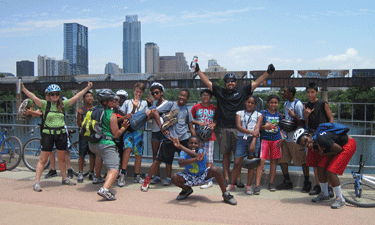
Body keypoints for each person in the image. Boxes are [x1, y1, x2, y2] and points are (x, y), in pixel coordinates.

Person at [194, 61, 275, 186]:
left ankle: (236, 179)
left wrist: (267, 73)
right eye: (228, 81)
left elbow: (257, 83)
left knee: (238, 156)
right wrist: (198, 70)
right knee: (226, 154)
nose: (230, 83)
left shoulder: (242, 91)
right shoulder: (220, 91)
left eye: (232, 81)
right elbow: (207, 82)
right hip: (223, 128)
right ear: (225, 83)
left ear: (235, 83)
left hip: (239, 129)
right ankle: (227, 177)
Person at [21, 82, 93, 192]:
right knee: (43, 159)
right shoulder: (45, 104)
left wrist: (87, 88)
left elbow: (76, 96)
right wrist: (24, 89)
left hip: (61, 134)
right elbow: (33, 97)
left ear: (59, 94)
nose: (54, 96)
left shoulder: (63, 104)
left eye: (56, 94)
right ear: (49, 95)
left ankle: (64, 178)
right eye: (52, 94)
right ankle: (36, 183)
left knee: (61, 158)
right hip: (48, 134)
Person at [141, 89, 196, 191]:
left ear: (187, 98)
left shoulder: (188, 110)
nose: (181, 97)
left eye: (184, 96)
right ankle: (146, 181)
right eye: (180, 95)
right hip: (170, 138)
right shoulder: (171, 105)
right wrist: (162, 127)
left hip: (183, 139)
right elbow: (155, 111)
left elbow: (191, 127)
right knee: (158, 160)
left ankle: (193, 179)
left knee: (191, 160)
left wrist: (196, 142)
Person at [294, 125, 356, 209]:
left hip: (348, 144)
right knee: (320, 167)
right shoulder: (315, 141)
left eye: (306, 140)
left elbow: (339, 149)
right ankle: (325, 194)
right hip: (337, 146)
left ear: (309, 135)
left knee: (331, 172)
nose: (306, 144)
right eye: (303, 144)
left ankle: (340, 198)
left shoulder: (321, 139)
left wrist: (324, 153)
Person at [87, 89, 129, 200]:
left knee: (99, 156)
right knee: (114, 168)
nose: (115, 101)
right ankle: (105, 189)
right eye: (112, 100)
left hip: (92, 143)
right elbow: (116, 134)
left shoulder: (94, 110)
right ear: (105, 102)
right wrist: (124, 127)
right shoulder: (111, 114)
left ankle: (97, 177)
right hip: (105, 143)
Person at [170, 135, 237, 205]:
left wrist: (180, 146)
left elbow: (196, 155)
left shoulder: (202, 151)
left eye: (196, 143)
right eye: (191, 143)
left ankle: (225, 194)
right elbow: (181, 163)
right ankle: (187, 190)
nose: (193, 145)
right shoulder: (183, 152)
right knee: (174, 178)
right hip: (189, 176)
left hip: (203, 176)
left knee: (215, 169)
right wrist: (194, 159)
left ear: (199, 144)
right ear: (187, 144)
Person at [276, 85, 311, 192]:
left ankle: (307, 182)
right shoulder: (286, 103)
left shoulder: (298, 104)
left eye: (284, 91)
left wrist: (294, 115)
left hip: (296, 139)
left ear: (291, 93)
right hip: (286, 137)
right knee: (282, 160)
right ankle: (287, 181)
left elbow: (302, 123)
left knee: (302, 161)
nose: (282, 93)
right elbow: (288, 119)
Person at [226, 95, 262, 195]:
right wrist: (251, 132)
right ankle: (232, 184)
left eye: (252, 103)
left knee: (251, 163)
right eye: (248, 102)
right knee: (237, 162)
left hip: (253, 139)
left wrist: (253, 142)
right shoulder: (239, 113)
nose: (250, 104)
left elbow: (257, 129)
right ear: (245, 103)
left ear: (255, 105)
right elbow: (239, 127)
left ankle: (249, 186)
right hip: (242, 139)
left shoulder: (259, 115)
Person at [304, 83, 334, 196]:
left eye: (312, 92)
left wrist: (330, 130)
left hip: (324, 135)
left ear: (317, 92)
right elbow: (307, 124)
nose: (310, 94)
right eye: (308, 92)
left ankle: (330, 187)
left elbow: (330, 117)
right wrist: (306, 116)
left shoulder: (322, 103)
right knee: (315, 163)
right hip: (313, 135)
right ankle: (318, 185)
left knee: (326, 161)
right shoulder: (306, 105)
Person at [119, 82, 149, 185]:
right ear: (133, 91)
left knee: (138, 152)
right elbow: (124, 116)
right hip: (128, 129)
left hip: (139, 130)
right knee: (127, 149)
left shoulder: (144, 103)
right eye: (137, 91)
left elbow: (145, 117)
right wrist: (134, 108)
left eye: (140, 92)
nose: (138, 94)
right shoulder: (127, 102)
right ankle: (122, 173)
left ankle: (137, 175)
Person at [255, 95, 284, 193]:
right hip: (265, 140)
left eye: (275, 103)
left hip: (276, 140)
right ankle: (257, 185)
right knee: (261, 162)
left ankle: (271, 183)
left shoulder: (279, 115)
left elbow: (280, 128)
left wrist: (282, 138)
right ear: (268, 103)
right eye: (271, 102)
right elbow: (257, 127)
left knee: (273, 162)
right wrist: (264, 127)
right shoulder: (262, 113)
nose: (273, 104)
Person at [191, 89, 217, 189]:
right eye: (203, 95)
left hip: (210, 136)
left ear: (210, 98)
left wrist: (214, 124)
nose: (205, 97)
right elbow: (190, 119)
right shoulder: (195, 107)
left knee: (209, 158)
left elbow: (216, 119)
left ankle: (209, 180)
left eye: (207, 95)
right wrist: (197, 123)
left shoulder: (214, 108)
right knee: (198, 156)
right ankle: (199, 177)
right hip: (198, 137)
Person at [147, 83, 172, 185]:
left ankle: (169, 177)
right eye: (153, 93)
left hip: (165, 132)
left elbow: (171, 116)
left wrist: (156, 113)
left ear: (161, 92)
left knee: (167, 155)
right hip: (155, 131)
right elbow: (148, 118)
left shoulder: (168, 103)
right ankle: (157, 176)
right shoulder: (153, 105)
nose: (155, 95)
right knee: (155, 154)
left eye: (157, 92)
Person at [76, 90, 96, 183]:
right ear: (84, 99)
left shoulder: (95, 110)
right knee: (81, 154)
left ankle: (91, 172)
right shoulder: (82, 110)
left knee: (92, 155)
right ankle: (80, 173)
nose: (89, 98)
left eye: (91, 96)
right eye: (87, 96)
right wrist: (79, 115)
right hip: (83, 135)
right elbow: (79, 124)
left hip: (92, 135)